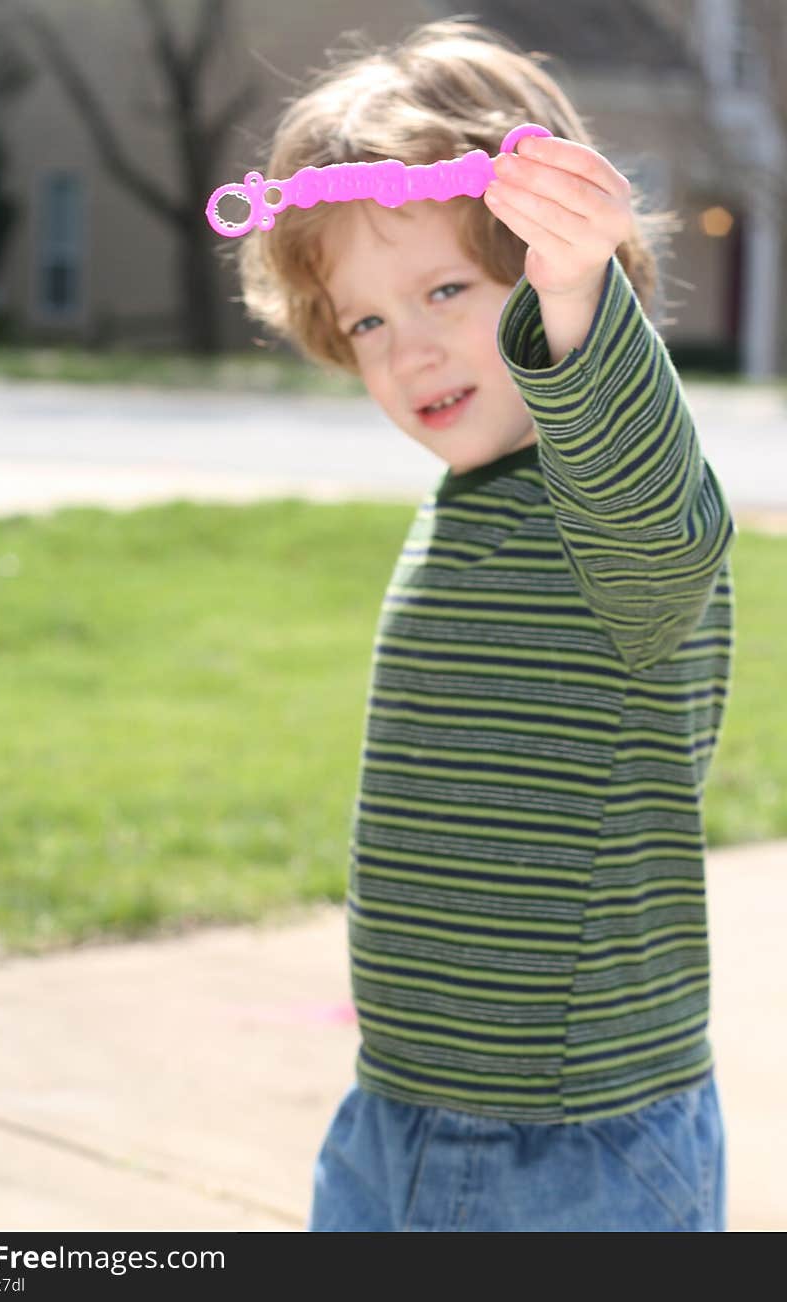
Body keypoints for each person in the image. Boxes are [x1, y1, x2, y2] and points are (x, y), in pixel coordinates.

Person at [237, 19, 736, 1232]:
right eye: (364, 322)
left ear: (550, 267)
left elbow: (659, 516)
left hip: (573, 1144)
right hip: (397, 1109)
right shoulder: (464, 503)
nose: (406, 347)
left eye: (446, 288)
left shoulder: (608, 505)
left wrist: (575, 296)